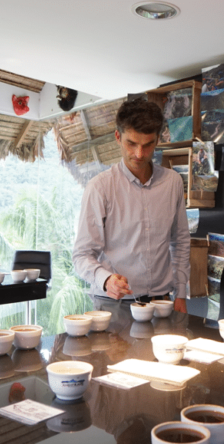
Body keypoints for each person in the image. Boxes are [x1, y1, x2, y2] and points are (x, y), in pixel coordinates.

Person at [72, 99, 190, 313]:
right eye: (131, 143)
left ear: (157, 140)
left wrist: (181, 294)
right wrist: (106, 280)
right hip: (112, 305)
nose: (138, 154)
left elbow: (180, 241)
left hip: (161, 304)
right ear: (118, 137)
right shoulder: (100, 187)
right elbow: (81, 255)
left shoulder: (172, 182)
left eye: (147, 145)